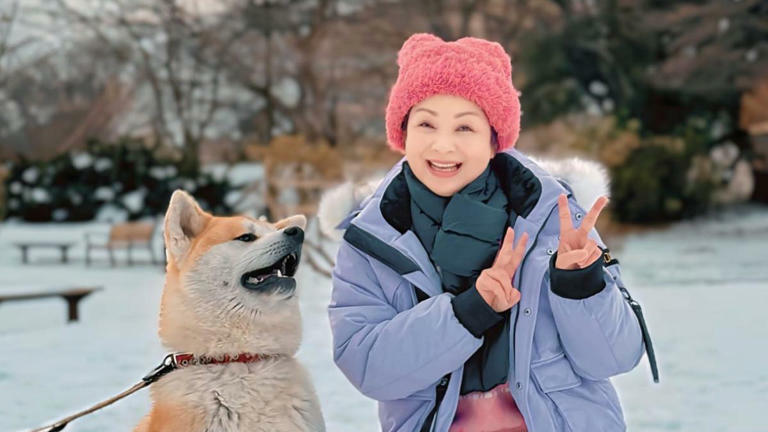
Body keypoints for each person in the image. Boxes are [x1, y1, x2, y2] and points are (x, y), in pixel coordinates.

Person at [326, 33, 645, 432]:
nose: (443, 146)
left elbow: (615, 359)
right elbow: (368, 367)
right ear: (402, 133)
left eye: (465, 128)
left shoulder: (554, 217)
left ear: (494, 141)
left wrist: (580, 284)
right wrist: (469, 312)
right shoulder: (372, 239)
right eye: (426, 124)